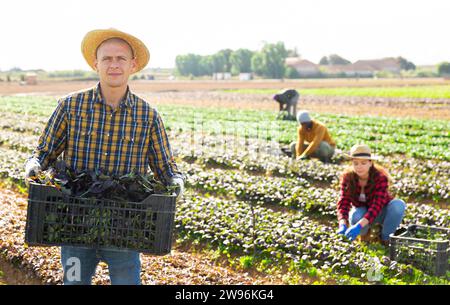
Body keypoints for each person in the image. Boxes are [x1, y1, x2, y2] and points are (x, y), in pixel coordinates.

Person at [24, 28, 185, 285]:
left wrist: (176, 181)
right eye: (107, 58)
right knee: (74, 281)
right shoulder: (71, 106)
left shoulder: (147, 116)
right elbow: (45, 152)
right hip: (74, 223)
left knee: (127, 281)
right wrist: (34, 165)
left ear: (132, 64)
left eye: (120, 58)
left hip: (125, 226)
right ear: (95, 63)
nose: (114, 65)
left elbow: (165, 166)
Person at [336, 144, 406, 245]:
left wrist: (358, 226)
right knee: (356, 215)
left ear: (370, 163)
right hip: (362, 212)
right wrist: (342, 223)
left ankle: (385, 238)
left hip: (381, 211)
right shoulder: (348, 178)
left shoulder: (380, 178)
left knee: (398, 205)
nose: (359, 167)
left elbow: (377, 205)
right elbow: (344, 201)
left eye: (363, 163)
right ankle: (364, 237)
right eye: (356, 163)